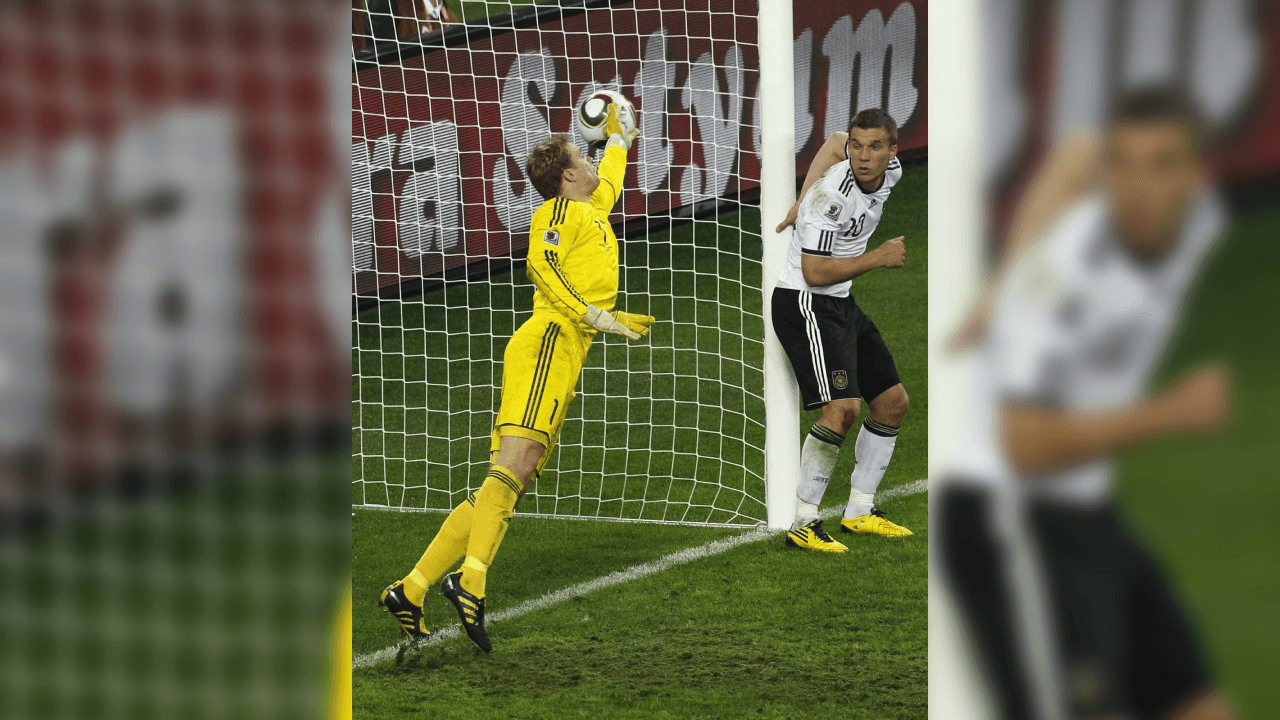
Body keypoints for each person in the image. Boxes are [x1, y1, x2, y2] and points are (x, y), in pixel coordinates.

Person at [937, 86, 1238, 720]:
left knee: (1198, 704)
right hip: (1010, 520)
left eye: (1161, 163)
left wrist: (994, 286)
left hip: (1083, 507)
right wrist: (1170, 414)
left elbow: (1076, 151)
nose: (1138, 184)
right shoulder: (1065, 270)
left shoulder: (1200, 220)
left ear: (1196, 173)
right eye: (1122, 163)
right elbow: (1024, 444)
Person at [379, 105, 649, 652]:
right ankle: (471, 580)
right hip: (548, 340)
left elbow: (612, 175)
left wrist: (619, 137)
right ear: (569, 175)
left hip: (566, 350)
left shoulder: (591, 206)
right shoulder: (555, 212)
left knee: (509, 480)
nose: (591, 159)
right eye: (583, 154)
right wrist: (598, 316)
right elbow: (540, 267)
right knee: (514, 466)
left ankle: (411, 589)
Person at [772, 107, 913, 552]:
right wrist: (877, 256)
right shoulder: (829, 198)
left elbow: (832, 139)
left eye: (874, 146)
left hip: (839, 302)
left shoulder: (890, 172)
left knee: (892, 402)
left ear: (893, 151)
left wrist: (798, 193)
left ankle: (859, 511)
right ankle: (804, 521)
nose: (861, 156)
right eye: (856, 146)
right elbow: (813, 272)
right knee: (843, 409)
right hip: (804, 303)